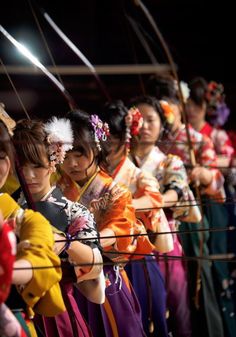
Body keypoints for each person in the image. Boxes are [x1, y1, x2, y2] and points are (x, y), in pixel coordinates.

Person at [147, 74, 226, 337]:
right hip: (159, 224)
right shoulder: (153, 140)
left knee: (196, 288)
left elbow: (217, 183)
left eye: (170, 104)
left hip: (190, 223)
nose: (166, 112)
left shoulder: (197, 139)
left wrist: (201, 174)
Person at [56, 109, 148, 337]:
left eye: (79, 154)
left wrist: (81, 242)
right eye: (66, 155)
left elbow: (119, 229)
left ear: (95, 150)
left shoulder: (115, 191)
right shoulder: (56, 189)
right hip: (67, 280)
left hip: (104, 278)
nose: (72, 163)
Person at [12, 117, 105, 337]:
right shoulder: (7, 208)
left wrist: (66, 242)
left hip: (57, 309)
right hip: (13, 310)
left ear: (53, 161)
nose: (29, 175)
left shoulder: (73, 212)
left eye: (37, 165)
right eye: (21, 166)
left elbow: (96, 263)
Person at [128, 95, 202, 337]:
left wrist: (139, 203)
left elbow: (175, 192)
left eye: (152, 120)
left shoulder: (169, 162)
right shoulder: (120, 163)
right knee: (138, 311)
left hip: (164, 241)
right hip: (130, 244)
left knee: (177, 306)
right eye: (141, 120)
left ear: (162, 124)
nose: (146, 126)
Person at [100, 100, 173, 337]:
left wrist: (120, 204)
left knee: (145, 323)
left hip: (136, 259)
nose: (109, 146)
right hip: (106, 263)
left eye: (115, 139)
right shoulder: (95, 176)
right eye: (105, 140)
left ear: (126, 140)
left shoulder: (136, 175)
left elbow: (154, 200)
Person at [0, 119, 65, 337]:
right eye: (23, 166)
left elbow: (41, 245)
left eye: (1, 157)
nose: (28, 175)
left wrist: (9, 272)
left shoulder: (12, 210)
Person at [186, 77, 236, 337]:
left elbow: (229, 165)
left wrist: (206, 168)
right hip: (190, 203)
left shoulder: (214, 135)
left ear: (206, 106)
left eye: (197, 104)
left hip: (212, 203)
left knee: (214, 263)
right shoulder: (180, 136)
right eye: (189, 104)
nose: (192, 110)